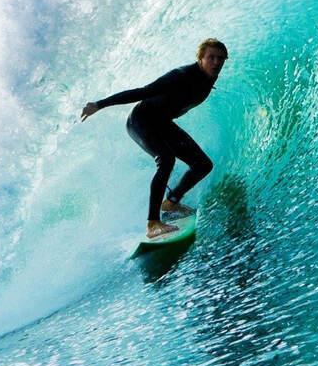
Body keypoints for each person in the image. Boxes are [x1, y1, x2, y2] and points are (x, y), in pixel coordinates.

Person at [81, 39, 228, 238]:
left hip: (162, 122)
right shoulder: (181, 76)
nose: (216, 62)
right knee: (166, 160)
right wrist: (100, 104)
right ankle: (153, 223)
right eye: (211, 57)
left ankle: (171, 203)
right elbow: (143, 92)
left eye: (221, 58)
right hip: (141, 121)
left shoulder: (209, 78)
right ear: (200, 58)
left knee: (202, 164)